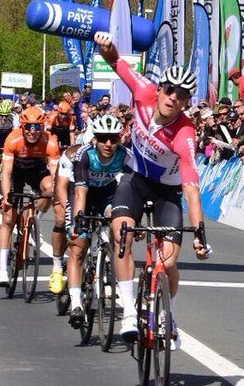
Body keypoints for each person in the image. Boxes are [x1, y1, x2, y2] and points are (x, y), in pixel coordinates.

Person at [94, 31, 210, 348]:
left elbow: (190, 185)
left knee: (168, 261)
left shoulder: (186, 132)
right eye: (170, 90)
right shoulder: (143, 91)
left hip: (167, 191)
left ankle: (165, 313)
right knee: (122, 235)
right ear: (159, 90)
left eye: (182, 94)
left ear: (188, 101)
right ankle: (129, 312)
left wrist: (199, 231)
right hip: (136, 177)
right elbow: (116, 61)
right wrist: (107, 47)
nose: (174, 97)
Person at [66, 114, 129, 328]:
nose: (108, 144)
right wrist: (79, 222)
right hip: (84, 194)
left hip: (108, 195)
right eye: (103, 139)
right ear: (95, 139)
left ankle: (108, 260)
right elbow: (81, 193)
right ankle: (75, 302)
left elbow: (127, 190)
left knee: (118, 222)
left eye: (113, 139)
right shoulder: (85, 155)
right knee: (78, 247)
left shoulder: (124, 155)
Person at [0, 106, 62, 285]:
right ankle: (2, 268)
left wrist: (56, 195)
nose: (33, 131)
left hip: (36, 169)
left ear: (43, 127)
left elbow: (55, 175)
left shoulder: (51, 142)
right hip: (16, 170)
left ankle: (36, 218)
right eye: (29, 127)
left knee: (50, 189)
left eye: (37, 127)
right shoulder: (13, 138)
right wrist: (6, 196)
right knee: (8, 218)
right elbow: (7, 173)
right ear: (22, 126)